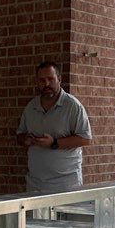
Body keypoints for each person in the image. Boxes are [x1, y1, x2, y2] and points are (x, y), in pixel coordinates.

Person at [15, 60, 94, 194]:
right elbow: (20, 135)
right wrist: (25, 139)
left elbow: (85, 139)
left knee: (67, 215)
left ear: (59, 79)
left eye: (50, 79)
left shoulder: (72, 106)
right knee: (34, 216)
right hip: (36, 183)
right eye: (42, 80)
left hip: (66, 183)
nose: (46, 84)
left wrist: (54, 143)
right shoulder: (31, 107)